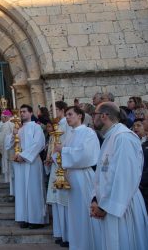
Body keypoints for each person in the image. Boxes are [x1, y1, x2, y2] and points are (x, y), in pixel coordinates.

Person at [91, 102, 148, 249]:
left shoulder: (123, 138)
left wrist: (104, 207)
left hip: (122, 204)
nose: (92, 119)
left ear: (104, 116)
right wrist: (95, 199)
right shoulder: (110, 137)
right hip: (108, 202)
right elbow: (102, 173)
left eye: (94, 115)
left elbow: (124, 177)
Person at [54, 106, 101, 250]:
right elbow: (62, 156)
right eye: (66, 114)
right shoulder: (69, 134)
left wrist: (63, 150)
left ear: (80, 116)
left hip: (83, 176)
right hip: (71, 176)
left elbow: (86, 155)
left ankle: (90, 244)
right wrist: (57, 155)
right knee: (75, 214)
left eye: (70, 114)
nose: (67, 117)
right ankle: (78, 244)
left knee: (84, 212)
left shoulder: (88, 132)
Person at [5, 104, 47, 229]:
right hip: (20, 164)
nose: (22, 114)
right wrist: (13, 134)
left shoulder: (36, 127)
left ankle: (36, 219)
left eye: (24, 111)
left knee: (34, 190)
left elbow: (39, 144)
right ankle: (24, 217)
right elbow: (8, 145)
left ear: (30, 113)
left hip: (32, 162)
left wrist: (24, 155)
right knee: (22, 190)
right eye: (20, 111)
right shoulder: (19, 128)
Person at [45, 101, 70, 247]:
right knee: (56, 201)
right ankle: (60, 233)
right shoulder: (58, 125)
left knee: (63, 201)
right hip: (55, 165)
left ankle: (67, 234)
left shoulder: (65, 124)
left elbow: (64, 145)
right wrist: (49, 157)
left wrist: (55, 157)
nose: (51, 112)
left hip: (62, 166)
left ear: (61, 110)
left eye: (53, 109)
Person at [0, 110, 14, 195]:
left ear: (6, 117)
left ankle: (12, 193)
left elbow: (0, 141)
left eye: (2, 118)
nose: (1, 120)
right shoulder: (15, 123)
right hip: (15, 152)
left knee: (10, 173)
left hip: (8, 152)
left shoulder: (6, 125)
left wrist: (2, 151)